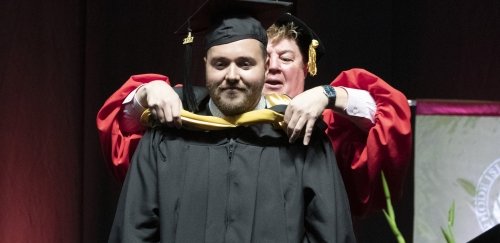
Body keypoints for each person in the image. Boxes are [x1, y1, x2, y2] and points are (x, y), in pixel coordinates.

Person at [97, 7, 412, 217]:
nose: (274, 67)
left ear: (307, 66)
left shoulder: (322, 128)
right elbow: (124, 137)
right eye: (265, 57)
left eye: (286, 58)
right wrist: (145, 94)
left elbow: (387, 120)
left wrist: (330, 95)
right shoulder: (200, 115)